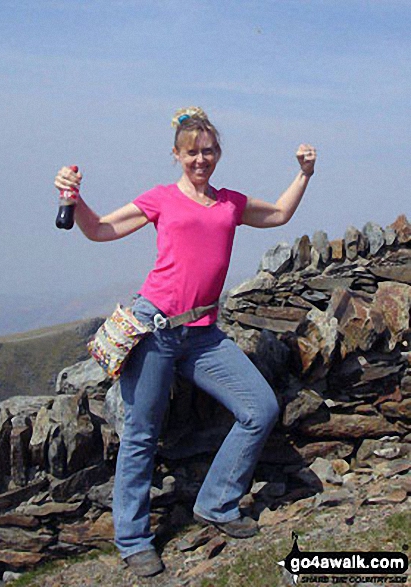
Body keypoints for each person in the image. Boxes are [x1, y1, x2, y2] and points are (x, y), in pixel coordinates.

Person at [54, 106, 317, 578]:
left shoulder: (229, 203)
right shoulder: (160, 199)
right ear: (176, 154)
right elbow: (100, 230)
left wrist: (305, 174)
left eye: (209, 150)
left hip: (204, 336)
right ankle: (133, 540)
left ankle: (217, 503)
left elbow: (278, 214)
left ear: (218, 153)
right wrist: (74, 199)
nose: (202, 159)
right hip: (154, 327)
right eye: (192, 151)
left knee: (259, 408)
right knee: (141, 433)